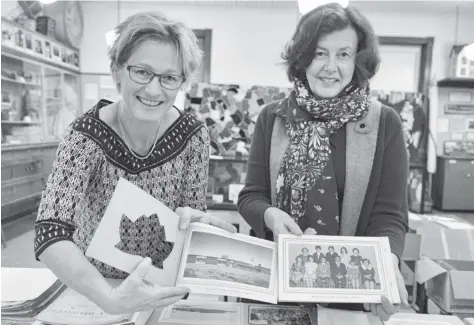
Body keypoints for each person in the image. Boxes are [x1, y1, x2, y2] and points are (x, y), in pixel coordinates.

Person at [33, 12, 236, 315]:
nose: (154, 90)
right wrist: (109, 297)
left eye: (169, 77)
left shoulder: (193, 134)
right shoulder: (85, 135)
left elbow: (189, 217)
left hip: (161, 291)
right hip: (96, 289)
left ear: (181, 82)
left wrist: (198, 228)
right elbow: (50, 232)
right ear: (117, 70)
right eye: (141, 72)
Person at [237, 2, 409, 321]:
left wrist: (387, 267)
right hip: (277, 291)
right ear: (302, 58)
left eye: (343, 54)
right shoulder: (272, 118)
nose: (330, 66)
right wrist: (270, 215)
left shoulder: (384, 122)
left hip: (354, 294)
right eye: (319, 53)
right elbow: (251, 197)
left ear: (357, 60)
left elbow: (390, 214)